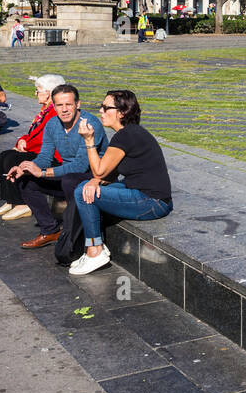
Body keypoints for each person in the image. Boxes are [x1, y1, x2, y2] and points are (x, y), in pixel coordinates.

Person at [71, 90, 173, 275]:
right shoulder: (130, 133)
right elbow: (107, 174)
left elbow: (100, 170)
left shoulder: (126, 136)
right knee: (87, 187)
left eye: (105, 107)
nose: (100, 111)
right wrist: (95, 181)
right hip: (149, 197)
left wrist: (89, 140)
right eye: (101, 106)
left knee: (81, 192)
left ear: (122, 112)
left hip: (152, 202)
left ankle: (95, 251)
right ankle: (96, 246)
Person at [4, 83, 107, 249]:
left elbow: (81, 166)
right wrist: (28, 166)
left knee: (69, 180)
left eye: (68, 104)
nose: (64, 109)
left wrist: (43, 173)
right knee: (25, 180)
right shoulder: (52, 124)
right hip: (68, 176)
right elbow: (45, 156)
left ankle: (78, 235)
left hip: (93, 177)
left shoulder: (90, 124)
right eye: (59, 105)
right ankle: (49, 230)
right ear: (54, 105)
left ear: (77, 104)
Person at [0, 74, 66, 220]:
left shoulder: (53, 112)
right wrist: (22, 140)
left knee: (13, 158)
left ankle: (23, 203)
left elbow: (44, 139)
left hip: (51, 156)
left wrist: (24, 145)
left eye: (38, 90)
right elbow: (32, 133)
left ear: (49, 93)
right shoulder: (45, 110)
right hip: (37, 149)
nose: (35, 93)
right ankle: (10, 200)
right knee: (4, 156)